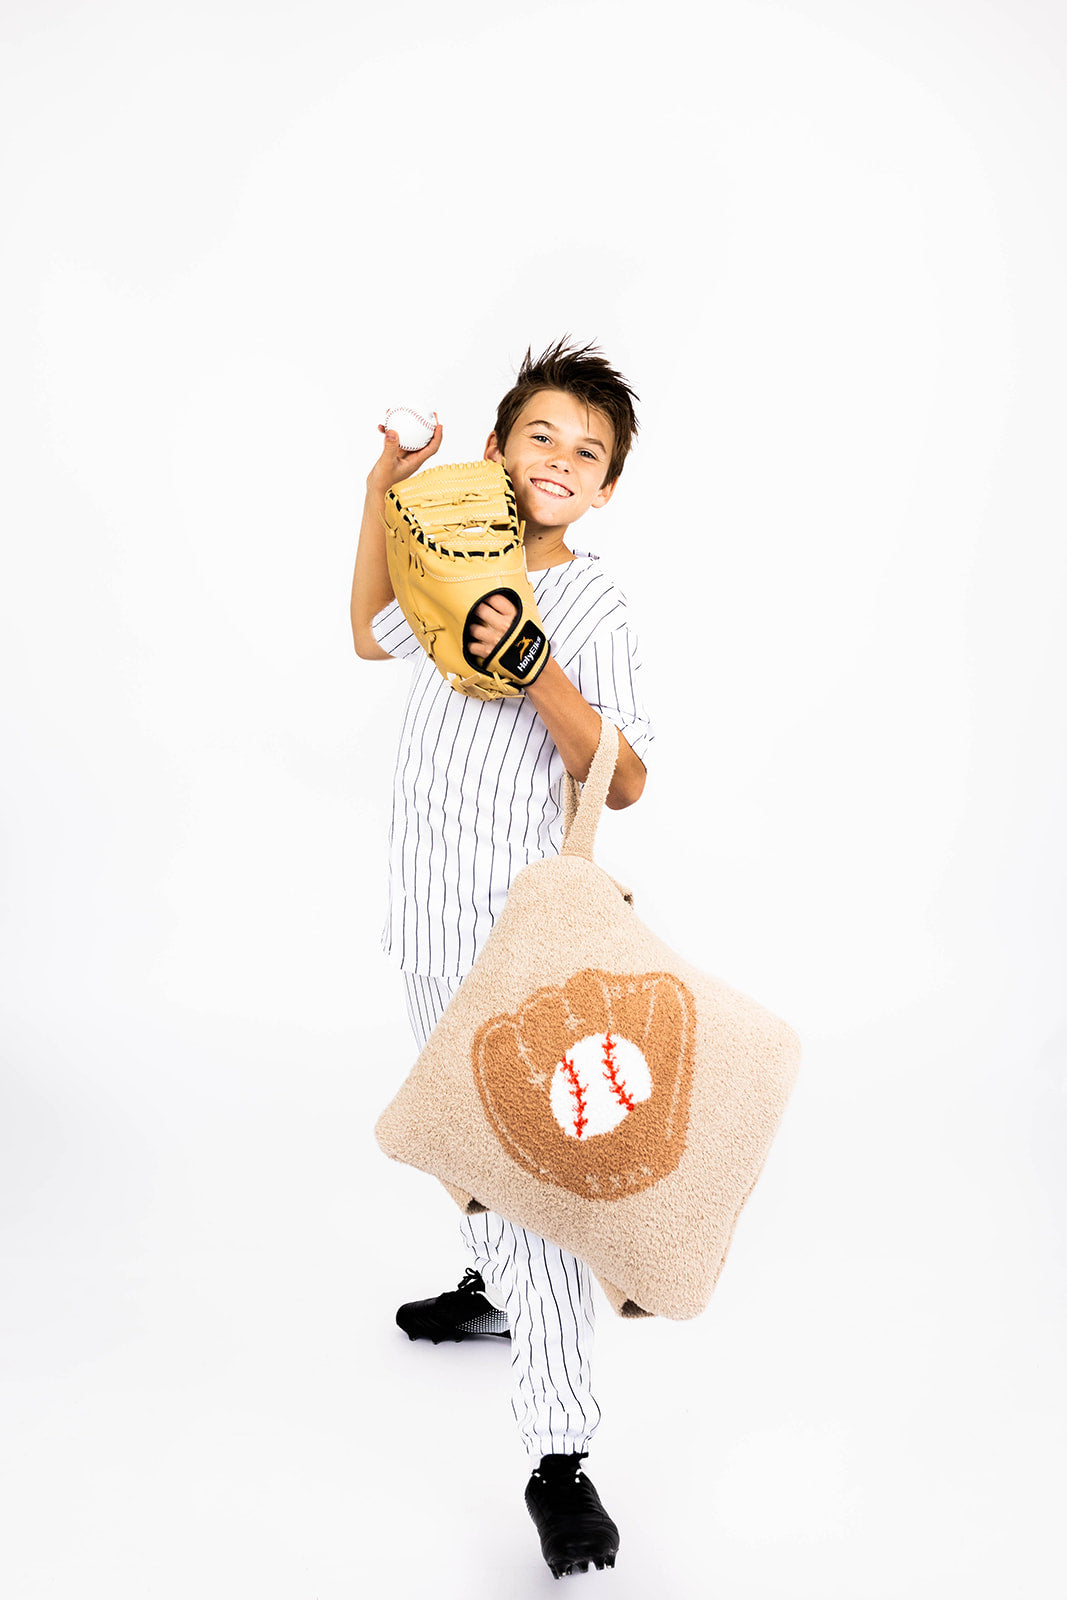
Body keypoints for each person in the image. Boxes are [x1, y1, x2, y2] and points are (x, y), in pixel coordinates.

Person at [350, 338, 655, 1579]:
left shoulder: (596, 602)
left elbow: (624, 776)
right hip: (420, 922)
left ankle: (560, 1456)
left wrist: (534, 665)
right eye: (542, 436)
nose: (560, 461)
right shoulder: (447, 560)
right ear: (497, 448)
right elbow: (372, 629)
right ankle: (488, 1285)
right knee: (455, 1139)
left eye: (588, 453)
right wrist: (385, 487)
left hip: (515, 935)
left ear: (605, 489)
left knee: (527, 1184)